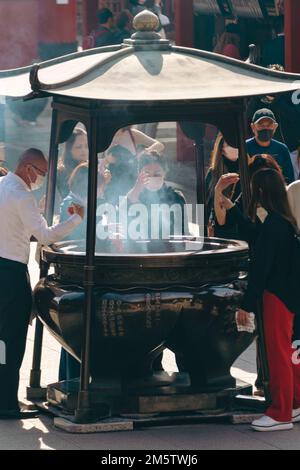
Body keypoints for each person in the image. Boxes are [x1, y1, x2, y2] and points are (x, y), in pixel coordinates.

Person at [0, 148, 84, 419]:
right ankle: (6, 404)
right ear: (28, 169)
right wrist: (76, 218)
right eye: (42, 173)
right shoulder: (21, 195)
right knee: (12, 341)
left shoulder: (2, 185)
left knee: (2, 341)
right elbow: (45, 235)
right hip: (11, 270)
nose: (42, 179)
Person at [235, 169, 300, 432]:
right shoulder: (285, 222)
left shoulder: (275, 224)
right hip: (291, 296)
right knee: (289, 353)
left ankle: (280, 412)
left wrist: (246, 305)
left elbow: (260, 268)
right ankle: (294, 404)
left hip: (276, 297)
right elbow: (259, 238)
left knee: (278, 355)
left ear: (261, 192)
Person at [123, 151, 188, 248]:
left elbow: (183, 236)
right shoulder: (135, 195)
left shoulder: (176, 198)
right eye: (147, 175)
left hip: (168, 255)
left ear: (164, 174)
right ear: (140, 175)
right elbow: (122, 216)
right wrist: (137, 187)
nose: (152, 178)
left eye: (157, 175)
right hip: (139, 255)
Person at [205, 133, 240, 239]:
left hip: (242, 228)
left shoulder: (248, 169)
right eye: (229, 145)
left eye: (235, 145)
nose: (234, 148)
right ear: (222, 149)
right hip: (222, 232)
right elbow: (206, 204)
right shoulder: (213, 173)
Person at [247, 108, 295, 185]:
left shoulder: (282, 149)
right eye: (261, 125)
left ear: (275, 127)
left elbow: (290, 178)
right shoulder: (245, 148)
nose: (265, 128)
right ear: (253, 127)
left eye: (269, 125)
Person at [57, 127, 88, 199]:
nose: (84, 150)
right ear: (69, 149)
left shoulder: (92, 167)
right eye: (79, 147)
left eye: (86, 146)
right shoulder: (61, 172)